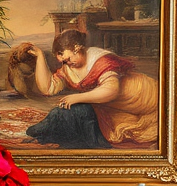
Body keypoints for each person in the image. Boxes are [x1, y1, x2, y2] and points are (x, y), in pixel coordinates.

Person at [18, 27, 159, 148]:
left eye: (67, 59)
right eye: (63, 62)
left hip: (144, 97)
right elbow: (48, 88)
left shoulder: (100, 60)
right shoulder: (69, 67)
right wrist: (40, 57)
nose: (66, 64)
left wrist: (78, 97)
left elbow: (111, 90)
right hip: (117, 106)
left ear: (77, 48)